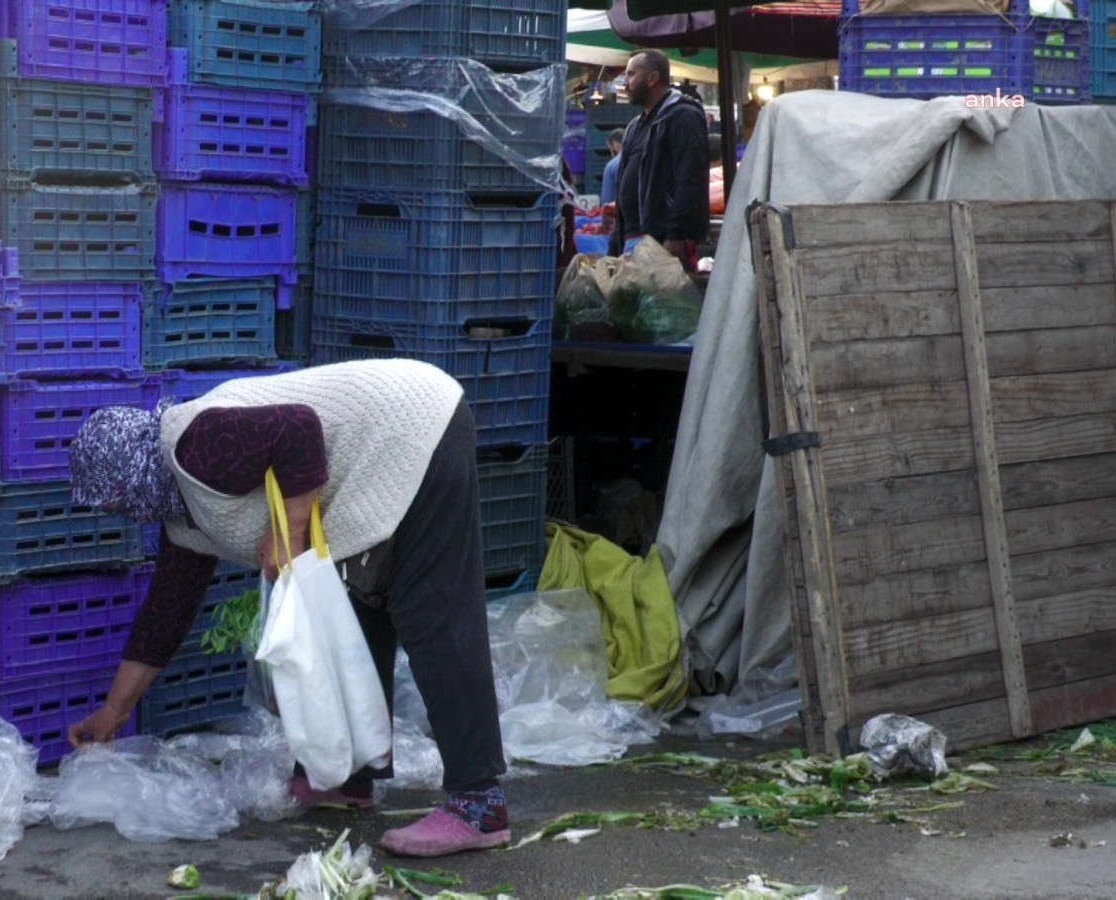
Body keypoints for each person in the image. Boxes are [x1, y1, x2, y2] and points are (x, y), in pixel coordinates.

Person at [65, 359, 511, 858]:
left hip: (413, 427)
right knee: (356, 607)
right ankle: (345, 780)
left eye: (111, 502)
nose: (117, 513)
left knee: (431, 609)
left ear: (129, 477)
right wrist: (112, 713)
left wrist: (289, 534)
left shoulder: (193, 445)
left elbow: (300, 429)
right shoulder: (182, 516)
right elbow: (165, 618)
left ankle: (479, 803)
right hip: (375, 458)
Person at [608, 48, 711, 270]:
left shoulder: (683, 116)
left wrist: (675, 235)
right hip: (632, 243)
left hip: (664, 243)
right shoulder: (635, 127)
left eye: (631, 74)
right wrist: (615, 242)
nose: (625, 82)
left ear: (653, 78)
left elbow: (691, 180)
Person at [599, 127, 626, 205]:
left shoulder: (611, 166)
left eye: (609, 146)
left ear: (614, 143)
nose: (610, 152)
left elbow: (607, 201)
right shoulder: (643, 159)